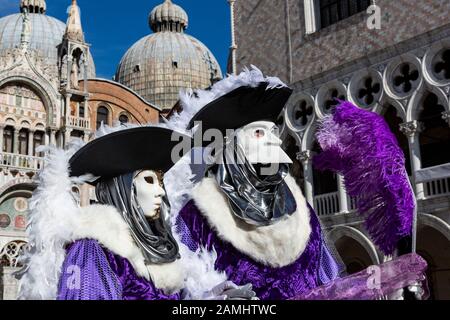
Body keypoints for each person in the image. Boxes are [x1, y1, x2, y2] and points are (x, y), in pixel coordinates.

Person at [169, 66, 426, 300]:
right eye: (260, 132)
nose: (274, 141)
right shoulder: (194, 218)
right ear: (230, 145)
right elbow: (177, 289)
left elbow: (331, 286)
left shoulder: (301, 214)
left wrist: (387, 290)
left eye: (273, 132)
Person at [18, 125, 255, 300]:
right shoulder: (94, 250)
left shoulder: (158, 253)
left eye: (161, 182)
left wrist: (212, 299)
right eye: (149, 180)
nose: (160, 192)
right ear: (123, 188)